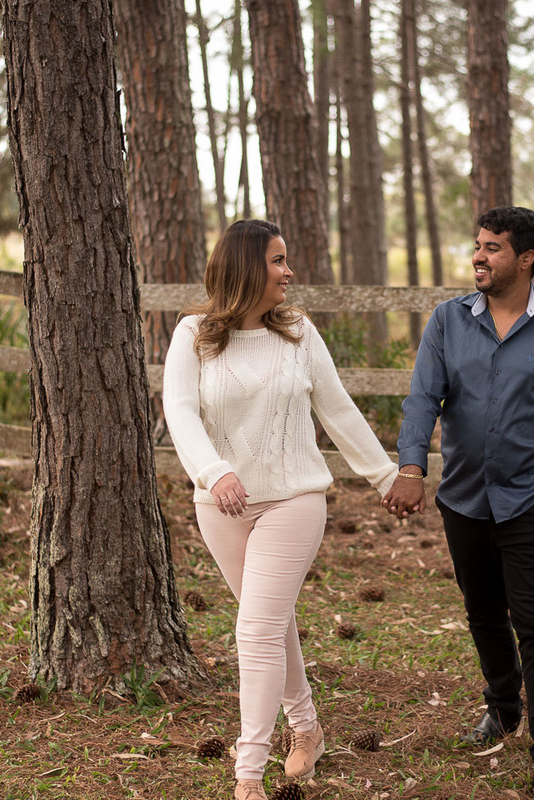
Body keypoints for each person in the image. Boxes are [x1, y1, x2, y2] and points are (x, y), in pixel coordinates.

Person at [162, 219, 400, 800]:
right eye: (277, 261)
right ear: (245, 268)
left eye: (286, 260)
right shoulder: (192, 334)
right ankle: (308, 730)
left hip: (294, 498)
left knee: (258, 628)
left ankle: (247, 775)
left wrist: (387, 476)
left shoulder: (298, 332)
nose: (288, 272)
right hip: (220, 504)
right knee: (272, 623)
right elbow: (180, 412)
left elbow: (338, 410)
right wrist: (213, 473)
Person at [382, 207, 534, 800]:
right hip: (464, 500)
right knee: (483, 614)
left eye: (493, 248)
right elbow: (422, 399)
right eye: (477, 245)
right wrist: (411, 467)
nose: (479, 256)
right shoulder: (448, 321)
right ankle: (503, 707)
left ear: (526, 258)